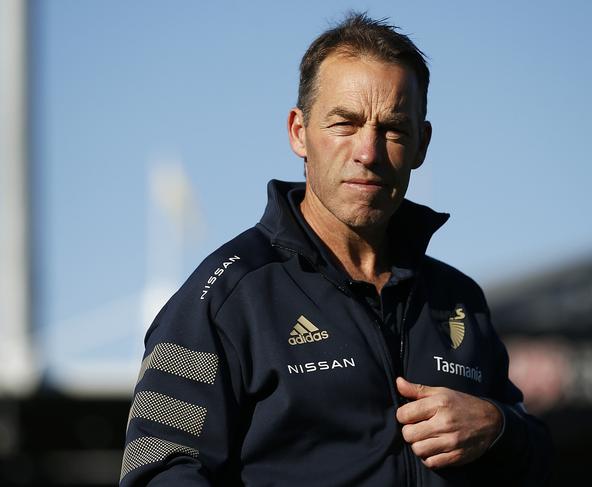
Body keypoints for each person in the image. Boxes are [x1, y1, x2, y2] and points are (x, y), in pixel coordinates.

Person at [120, 13, 552, 486]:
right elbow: (158, 467)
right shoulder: (224, 298)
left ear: (421, 144)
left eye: (393, 130)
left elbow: (538, 459)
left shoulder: (459, 300)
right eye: (345, 124)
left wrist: (498, 428)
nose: (368, 152)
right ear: (299, 133)